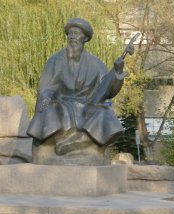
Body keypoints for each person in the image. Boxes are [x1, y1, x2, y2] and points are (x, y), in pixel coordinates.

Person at [27, 17, 130, 156]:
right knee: (48, 110)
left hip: (87, 106)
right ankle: (63, 141)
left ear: (85, 38)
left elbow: (107, 90)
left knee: (105, 112)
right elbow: (45, 87)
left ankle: (80, 141)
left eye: (77, 33)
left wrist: (117, 71)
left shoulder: (96, 63)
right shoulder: (54, 60)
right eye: (70, 33)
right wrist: (45, 97)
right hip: (61, 104)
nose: (72, 37)